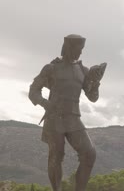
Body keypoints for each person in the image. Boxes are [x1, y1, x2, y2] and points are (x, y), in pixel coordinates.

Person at [28, 34, 106, 191]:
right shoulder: (51, 68)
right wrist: (45, 103)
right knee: (56, 157)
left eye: (83, 49)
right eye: (79, 48)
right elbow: (33, 91)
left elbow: (92, 98)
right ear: (70, 47)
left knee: (89, 154)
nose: (81, 52)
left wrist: (95, 82)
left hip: (73, 119)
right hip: (54, 119)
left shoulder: (83, 70)